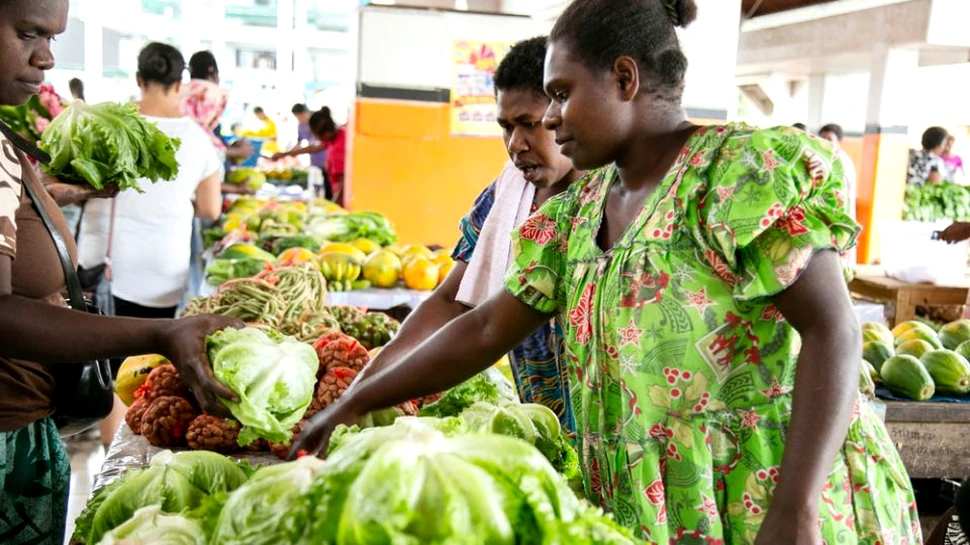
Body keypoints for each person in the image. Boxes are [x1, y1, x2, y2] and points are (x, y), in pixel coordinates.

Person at [293, 1, 921, 543]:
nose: (552, 117)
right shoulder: (576, 214)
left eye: (561, 94)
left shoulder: (736, 176)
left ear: (625, 78)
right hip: (650, 503)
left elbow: (833, 330)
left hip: (770, 492)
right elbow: (484, 329)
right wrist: (356, 401)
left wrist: (796, 506)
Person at [0, 3, 241, 543]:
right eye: (29, 33)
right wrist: (161, 333)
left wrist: (54, 195)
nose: (46, 58)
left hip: (25, 423)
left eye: (52, 38)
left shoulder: (9, 138)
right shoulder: (197, 139)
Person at [351, 36, 584, 429]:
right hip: (541, 423)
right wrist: (363, 388)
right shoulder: (505, 196)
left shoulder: (610, 200)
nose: (516, 144)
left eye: (529, 124)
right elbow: (452, 301)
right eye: (506, 127)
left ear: (563, 112)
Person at [76, 42, 224, 449]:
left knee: (108, 370)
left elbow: (76, 186)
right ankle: (132, 458)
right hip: (162, 269)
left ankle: (110, 459)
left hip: (104, 265)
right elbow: (210, 209)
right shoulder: (197, 139)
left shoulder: (107, 126)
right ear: (180, 83)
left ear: (139, 79)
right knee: (142, 370)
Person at [272, 107, 346, 201]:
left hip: (342, 195)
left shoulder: (338, 148)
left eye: (317, 136)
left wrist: (336, 203)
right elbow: (313, 148)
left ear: (325, 133)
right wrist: (285, 154)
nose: (318, 139)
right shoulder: (338, 134)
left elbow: (344, 182)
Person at [818, 123, 858, 264]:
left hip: (840, 208)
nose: (826, 142)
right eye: (823, 138)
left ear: (839, 141)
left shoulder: (843, 160)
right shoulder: (824, 157)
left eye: (830, 139)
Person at [291, 103, 328, 170]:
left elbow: (319, 145)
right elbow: (299, 142)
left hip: (326, 158)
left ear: (303, 113)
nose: (299, 119)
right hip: (314, 160)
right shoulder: (301, 126)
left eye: (299, 117)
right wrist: (291, 152)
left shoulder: (317, 121)